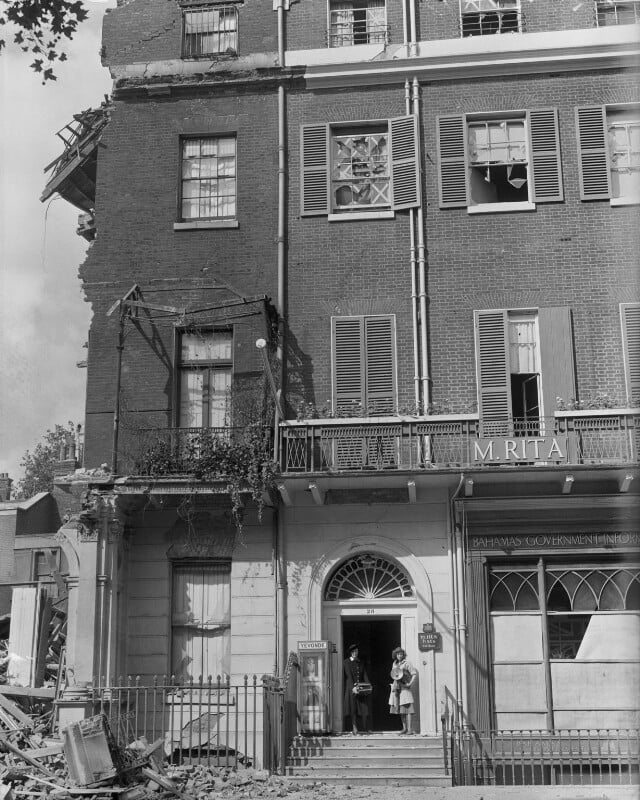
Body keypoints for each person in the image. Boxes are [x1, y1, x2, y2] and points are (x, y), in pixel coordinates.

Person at [343, 643, 371, 735]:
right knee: (353, 708)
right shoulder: (346, 662)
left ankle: (365, 727)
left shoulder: (360, 662)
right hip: (351, 689)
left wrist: (369, 685)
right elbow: (348, 676)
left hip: (361, 688)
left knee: (363, 708)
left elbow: (364, 675)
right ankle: (354, 727)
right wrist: (353, 688)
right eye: (354, 652)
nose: (355, 653)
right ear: (351, 653)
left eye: (357, 651)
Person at [389, 646, 417, 735]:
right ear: (395, 655)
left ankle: (410, 729)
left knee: (408, 708)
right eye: (398, 654)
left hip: (405, 687)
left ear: (403, 655)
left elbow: (414, 674)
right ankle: (404, 728)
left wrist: (410, 684)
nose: (399, 655)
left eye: (401, 654)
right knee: (401, 709)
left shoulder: (407, 663)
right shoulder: (394, 663)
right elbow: (394, 674)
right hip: (397, 687)